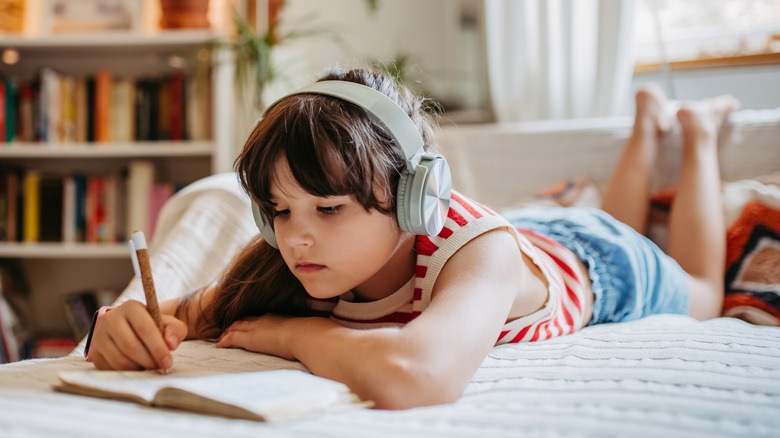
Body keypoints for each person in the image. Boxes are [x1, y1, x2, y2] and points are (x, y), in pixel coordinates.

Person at [87, 67, 739, 410]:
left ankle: (698, 132)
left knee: (704, 291)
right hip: (540, 233)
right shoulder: (291, 261)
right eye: (279, 211)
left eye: (328, 207)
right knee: (600, 220)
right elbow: (173, 317)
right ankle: (647, 125)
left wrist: (293, 334)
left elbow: (418, 377)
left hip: (600, 265)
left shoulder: (481, 249)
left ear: (413, 198)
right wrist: (118, 327)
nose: (297, 239)